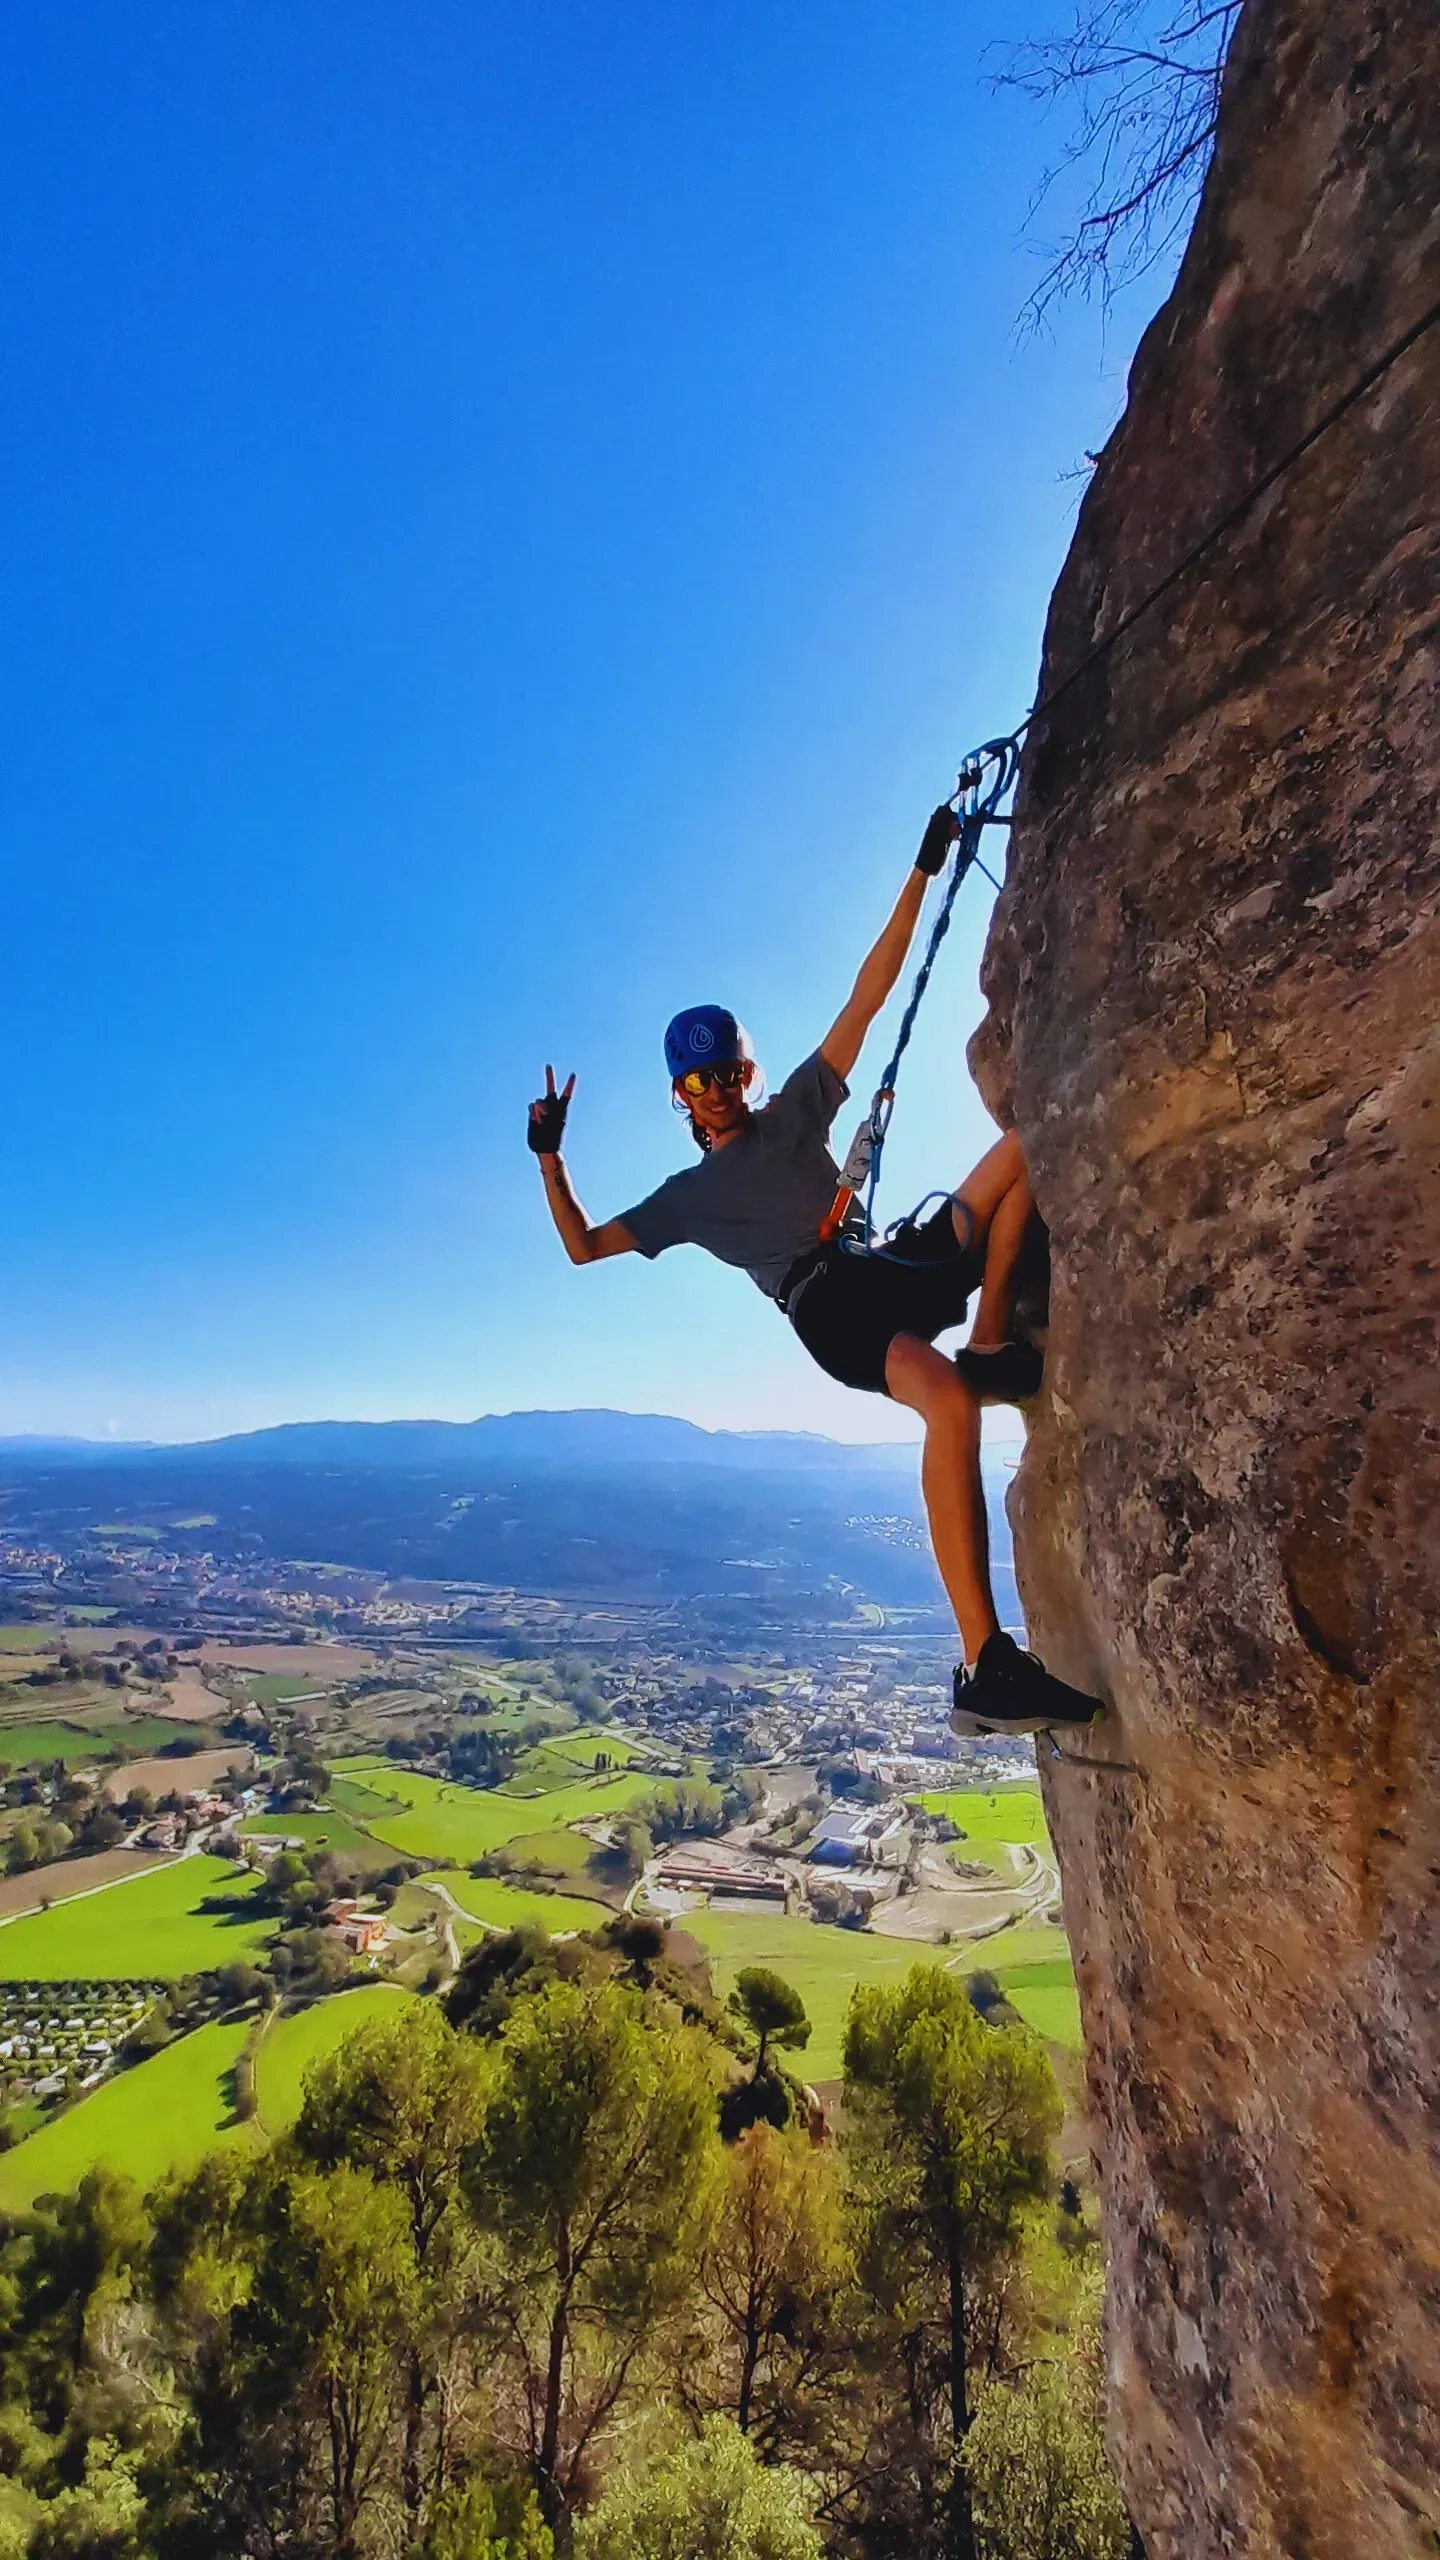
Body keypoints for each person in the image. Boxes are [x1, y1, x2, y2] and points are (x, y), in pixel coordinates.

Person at [527, 806, 1103, 1737]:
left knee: (1021, 1149)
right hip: (831, 1307)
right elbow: (584, 1246)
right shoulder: (688, 1197)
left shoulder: (795, 1113)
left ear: (746, 1075)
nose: (715, 1093)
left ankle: (993, 1337)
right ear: (681, 1100)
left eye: (724, 1074)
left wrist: (923, 869)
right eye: (696, 1084)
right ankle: (983, 1664)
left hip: (880, 1264)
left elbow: (866, 999)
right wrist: (551, 1162)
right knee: (948, 1406)